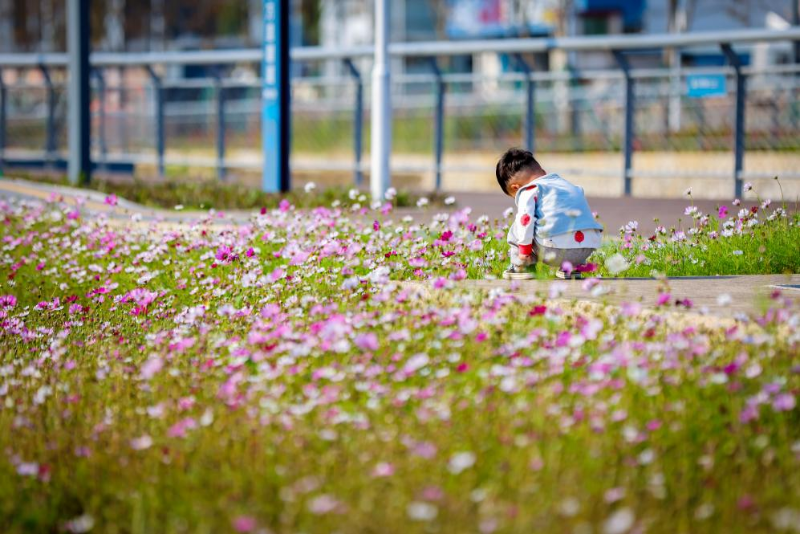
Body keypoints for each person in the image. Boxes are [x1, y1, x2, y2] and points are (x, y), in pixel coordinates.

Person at [496, 148, 603, 280]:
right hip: (586, 247)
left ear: (516, 188)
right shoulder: (567, 185)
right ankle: (572, 268)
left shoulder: (529, 189)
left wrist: (524, 251)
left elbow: (526, 219)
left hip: (553, 250)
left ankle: (522, 267)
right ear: (543, 172)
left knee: (518, 226)